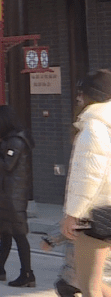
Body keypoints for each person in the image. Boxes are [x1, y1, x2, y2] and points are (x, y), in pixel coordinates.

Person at [63, 69, 111, 297]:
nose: (78, 99)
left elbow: (90, 175)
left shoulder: (94, 126)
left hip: (98, 211)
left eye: (80, 94)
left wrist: (73, 213)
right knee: (100, 280)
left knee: (88, 284)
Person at [0, 105, 36, 287]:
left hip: (13, 195)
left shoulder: (17, 141)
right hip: (7, 193)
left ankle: (27, 274)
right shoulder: (12, 139)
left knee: (18, 234)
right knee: (6, 232)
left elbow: (7, 166)